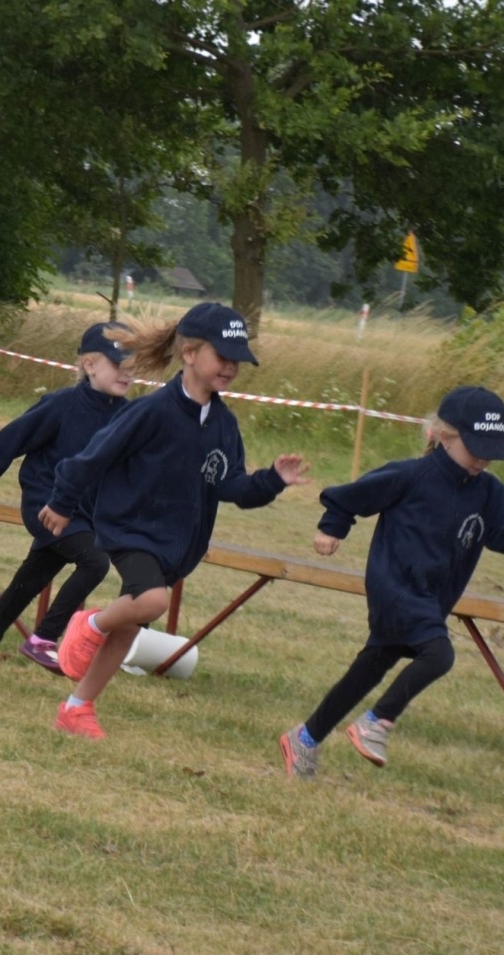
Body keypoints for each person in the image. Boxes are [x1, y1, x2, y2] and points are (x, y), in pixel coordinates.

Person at [40, 302, 312, 739]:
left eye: (236, 361)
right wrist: (62, 501)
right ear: (189, 354)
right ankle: (86, 624)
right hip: (131, 530)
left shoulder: (223, 425)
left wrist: (273, 480)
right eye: (222, 357)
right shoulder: (152, 410)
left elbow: (233, 488)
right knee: (151, 602)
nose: (230, 367)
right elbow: (93, 457)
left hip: (176, 547)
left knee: (128, 631)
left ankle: (77, 707)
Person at [279, 385, 504, 779]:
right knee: (439, 654)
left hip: (432, 598)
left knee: (369, 670)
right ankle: (377, 722)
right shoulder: (411, 475)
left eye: (490, 451)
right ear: (444, 435)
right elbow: (348, 497)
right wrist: (332, 528)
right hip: (394, 588)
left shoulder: (490, 493)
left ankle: (304, 739)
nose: (482, 459)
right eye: (474, 447)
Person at [0, 322, 133, 681]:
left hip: (85, 514)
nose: (127, 374)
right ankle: (44, 637)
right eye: (118, 365)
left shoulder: (127, 416)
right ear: (89, 365)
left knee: (28, 582)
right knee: (95, 561)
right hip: (47, 503)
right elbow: (15, 435)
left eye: (132, 366)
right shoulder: (63, 404)